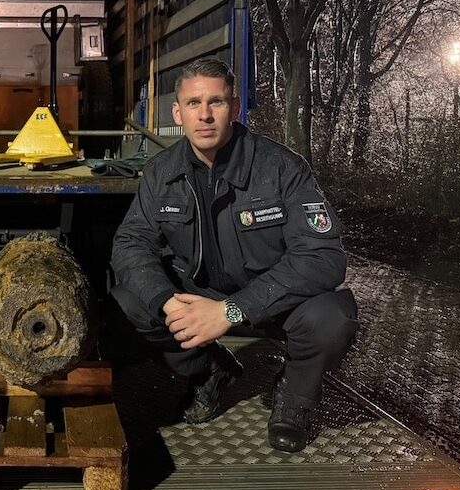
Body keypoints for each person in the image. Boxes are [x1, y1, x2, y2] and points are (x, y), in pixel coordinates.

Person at [110, 57, 358, 452]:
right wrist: (166, 301)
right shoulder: (161, 172)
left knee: (332, 316)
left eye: (216, 102)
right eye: (193, 104)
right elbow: (130, 243)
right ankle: (209, 370)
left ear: (235, 107)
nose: (204, 115)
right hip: (200, 297)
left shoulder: (281, 168)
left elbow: (323, 257)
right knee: (130, 301)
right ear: (178, 112)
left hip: (272, 300)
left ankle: (293, 399)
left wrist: (230, 311)